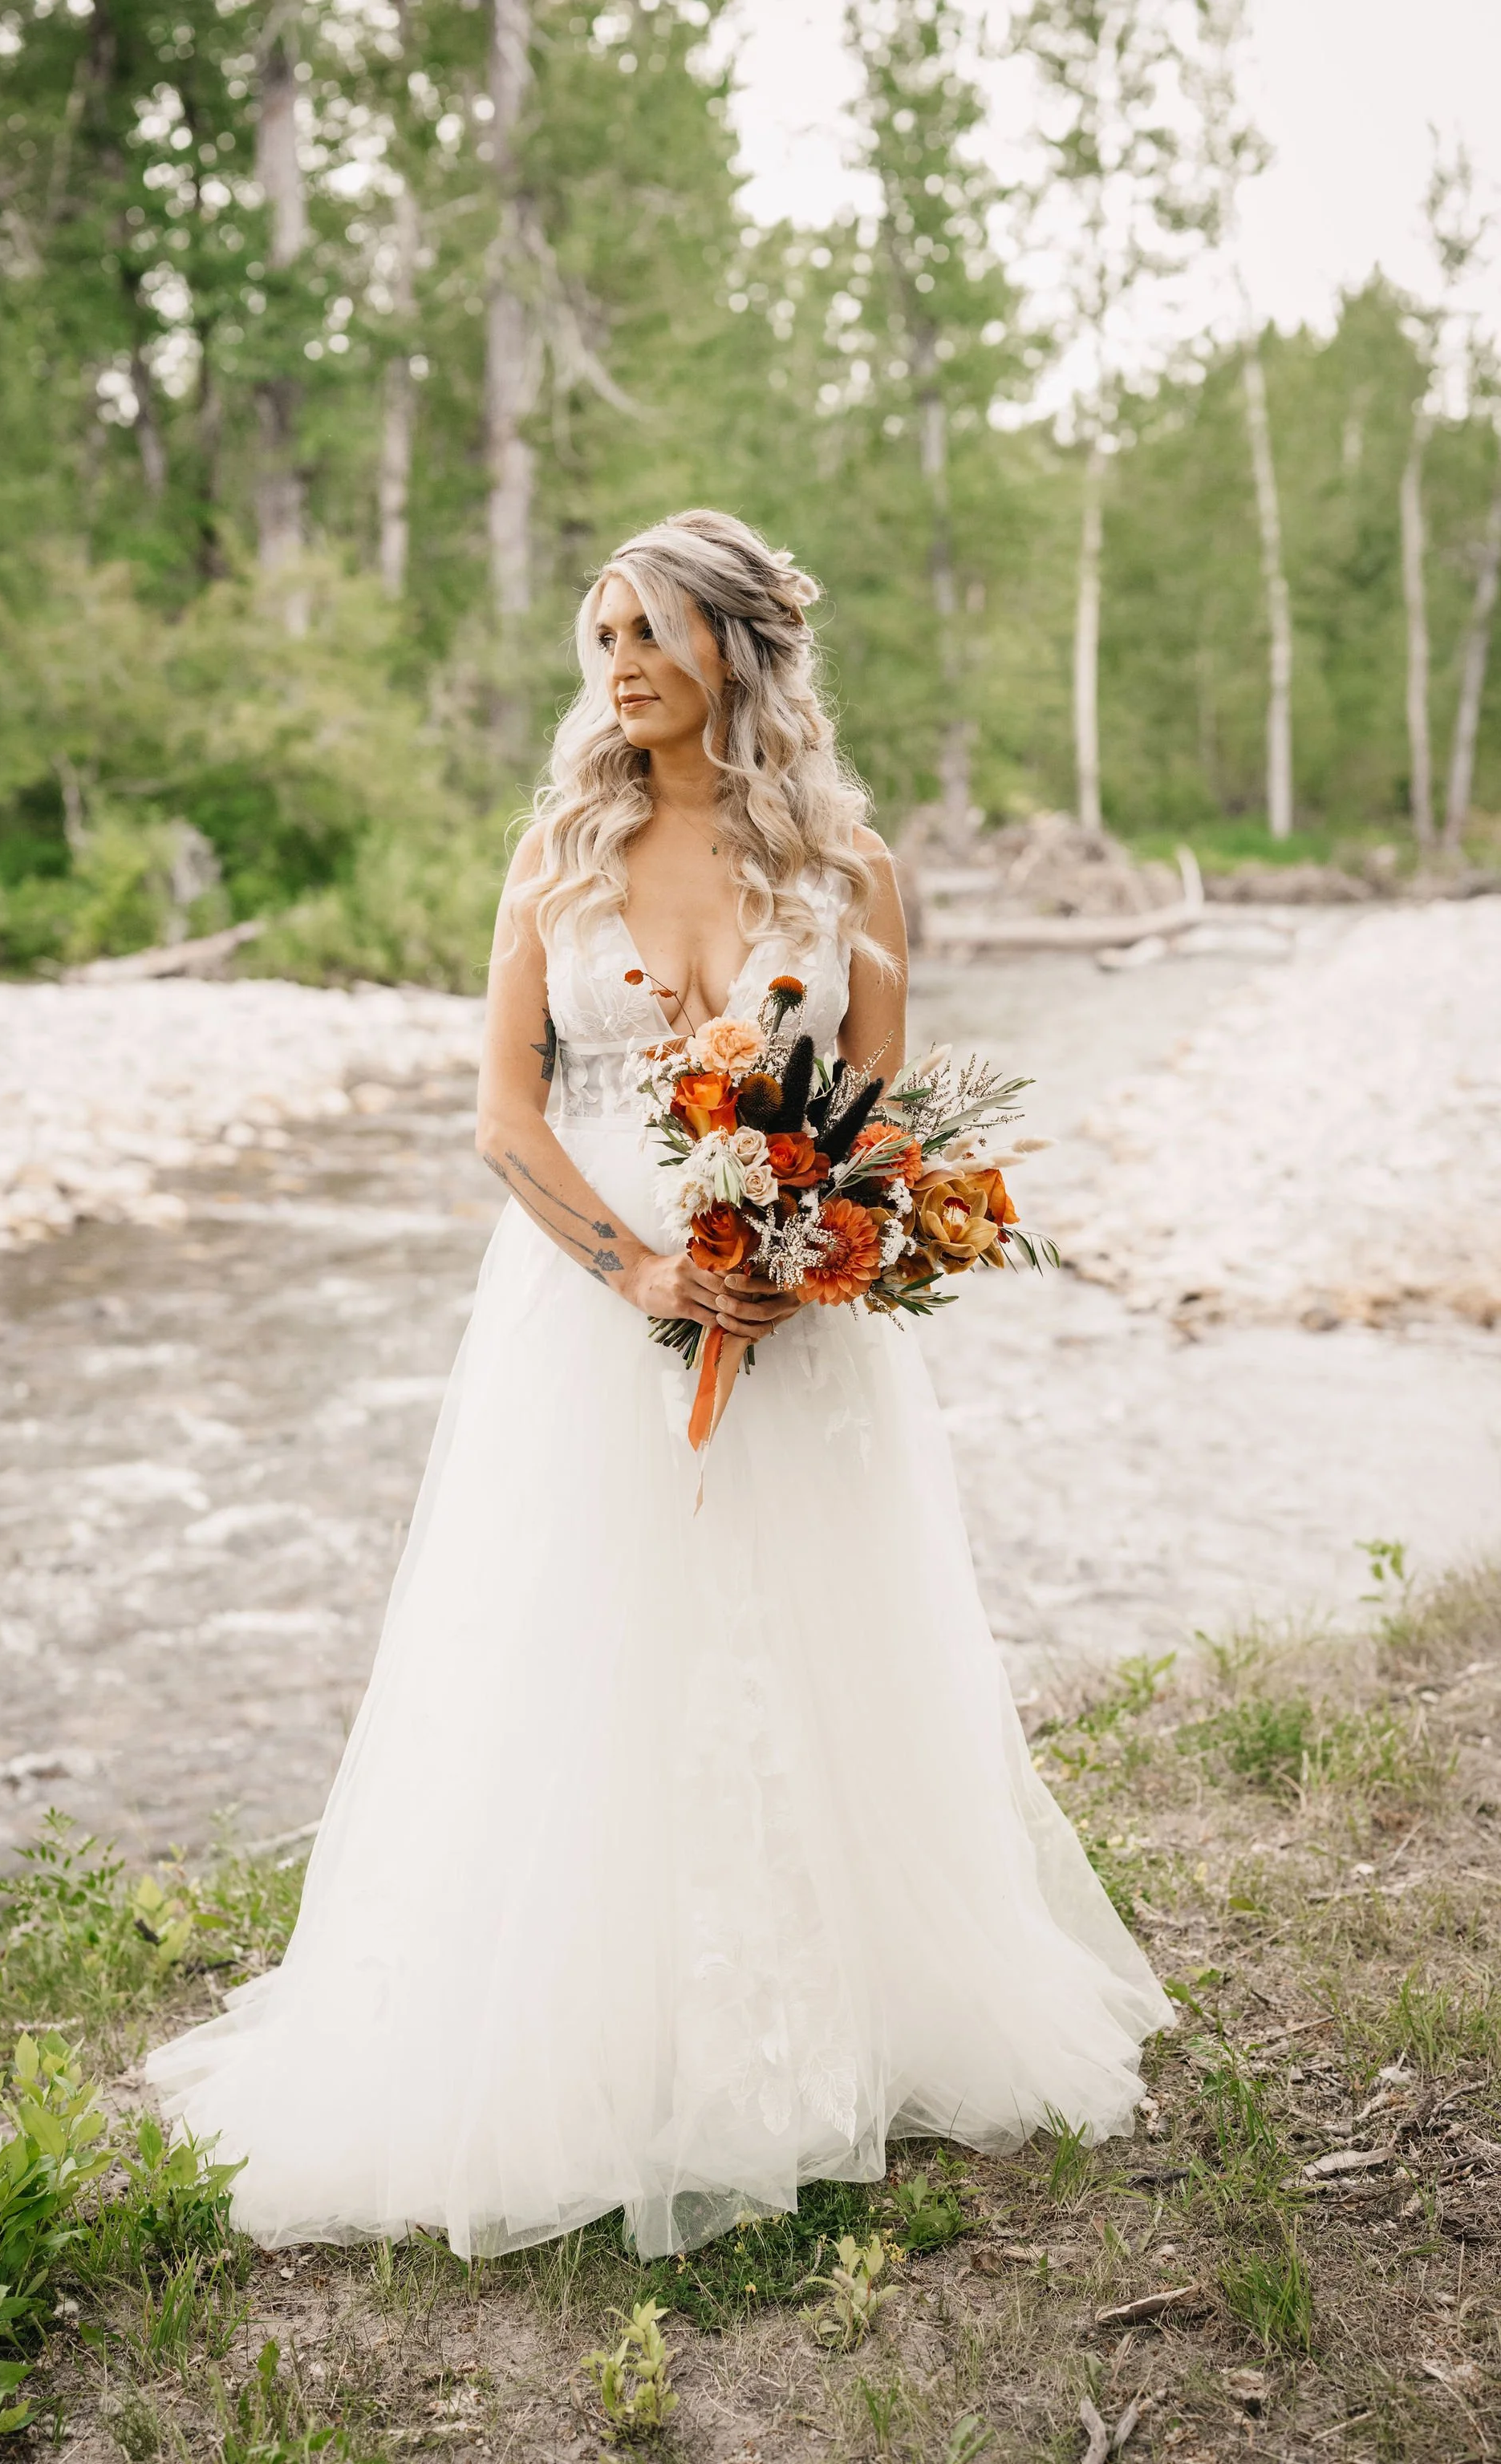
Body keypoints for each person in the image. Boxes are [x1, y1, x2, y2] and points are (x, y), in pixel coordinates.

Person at [147, 509, 1170, 2260]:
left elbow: (873, 1122)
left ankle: (830, 2020)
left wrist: (814, 1243)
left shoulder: (846, 867)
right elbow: (504, 1116)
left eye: (649, 630)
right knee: (582, 1647)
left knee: (810, 1643)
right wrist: (635, 1266)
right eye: (599, 632)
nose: (617, 662)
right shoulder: (556, 855)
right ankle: (578, 2039)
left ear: (734, 651)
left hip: (793, 1337)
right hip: (586, 1329)